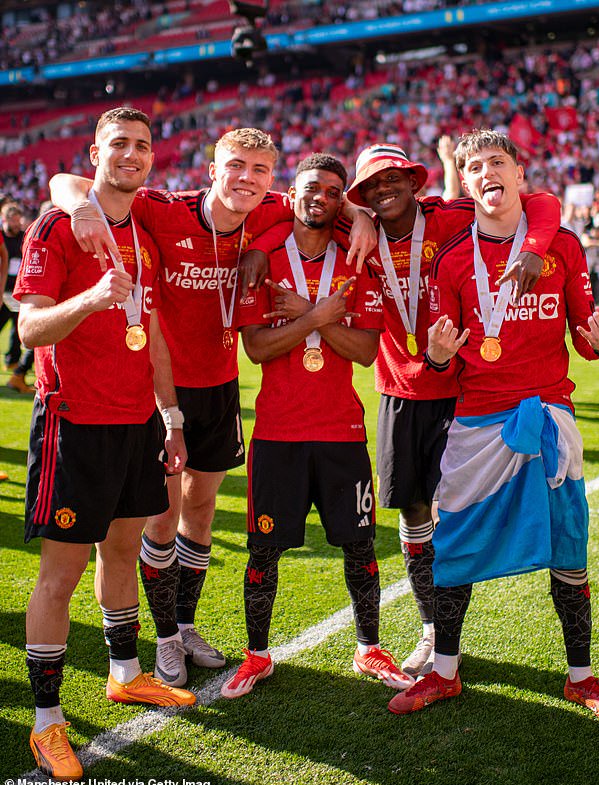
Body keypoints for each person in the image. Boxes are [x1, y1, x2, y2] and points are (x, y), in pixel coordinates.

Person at [49, 128, 376, 689]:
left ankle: (185, 623)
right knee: (162, 516)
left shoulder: (270, 208)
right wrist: (80, 206)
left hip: (223, 386)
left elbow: (325, 202)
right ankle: (165, 643)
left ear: (272, 180)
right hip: (165, 389)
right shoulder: (163, 208)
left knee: (200, 513)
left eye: (259, 170)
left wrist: (358, 213)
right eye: (236, 166)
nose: (246, 178)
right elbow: (70, 180)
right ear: (211, 170)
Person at [387, 129, 599, 725]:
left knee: (568, 551)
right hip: (475, 425)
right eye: (473, 167)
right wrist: (441, 357)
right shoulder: (451, 260)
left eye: (497, 162)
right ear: (466, 185)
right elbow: (442, 354)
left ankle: (581, 678)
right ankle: (444, 672)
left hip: (550, 416)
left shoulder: (564, 247)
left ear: (521, 174)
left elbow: (584, 333)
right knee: (455, 549)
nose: (485, 172)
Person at [14, 107, 196, 782]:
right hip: (75, 423)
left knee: (122, 550)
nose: (132, 154)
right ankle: (46, 721)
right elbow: (31, 329)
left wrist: (171, 418)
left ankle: (125, 672)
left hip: (135, 423)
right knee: (59, 575)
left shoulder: (138, 230)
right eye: (118, 143)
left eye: (142, 146)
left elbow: (147, 335)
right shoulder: (58, 224)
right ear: (94, 152)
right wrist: (91, 297)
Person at [345, 141, 562, 677]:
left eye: (394, 176)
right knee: (414, 514)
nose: (385, 187)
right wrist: (353, 215)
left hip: (463, 393)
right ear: (365, 195)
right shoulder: (357, 232)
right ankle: (429, 630)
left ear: (416, 180)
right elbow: (299, 203)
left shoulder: (451, 215)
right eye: (372, 184)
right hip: (400, 392)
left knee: (461, 517)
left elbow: (541, 201)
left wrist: (533, 246)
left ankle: (447, 636)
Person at [222, 153, 413, 699]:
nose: (320, 198)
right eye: (312, 188)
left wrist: (311, 314)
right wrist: (317, 317)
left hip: (341, 431)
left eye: (333, 191)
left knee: (359, 547)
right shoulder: (262, 259)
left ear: (341, 202)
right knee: (264, 551)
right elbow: (256, 348)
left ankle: (369, 646)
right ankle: (257, 655)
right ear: (291, 193)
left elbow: (365, 350)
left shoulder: (358, 261)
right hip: (278, 432)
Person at [1, 203, 36, 392]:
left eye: (17, 220)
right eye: (12, 220)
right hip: (3, 291)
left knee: (17, 330)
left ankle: (13, 362)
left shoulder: (23, 238)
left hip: (16, 292)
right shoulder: (2, 238)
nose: (16, 224)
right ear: (4, 219)